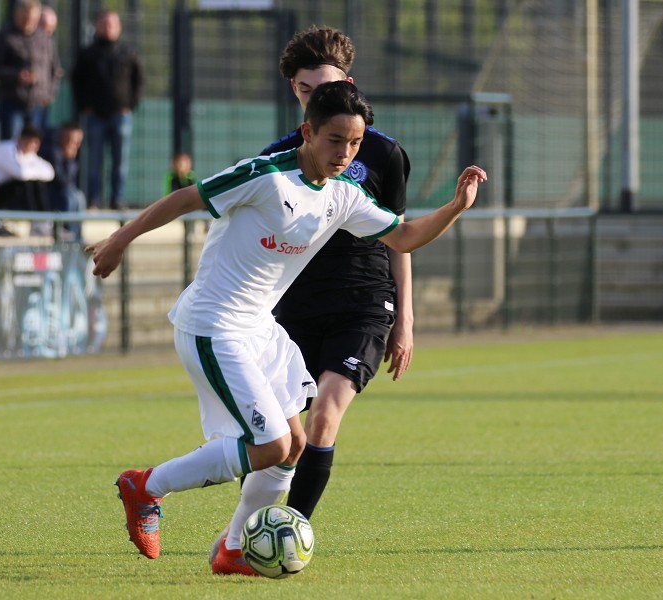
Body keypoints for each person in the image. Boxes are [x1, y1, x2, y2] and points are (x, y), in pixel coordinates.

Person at [87, 81, 486, 565]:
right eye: (335, 139)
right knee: (272, 445)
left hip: (260, 329)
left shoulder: (343, 196)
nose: (345, 152)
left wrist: (454, 208)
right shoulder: (266, 176)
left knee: (295, 445)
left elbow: (402, 237)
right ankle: (145, 487)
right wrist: (119, 240)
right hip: (213, 325)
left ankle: (233, 549)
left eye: (355, 142)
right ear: (308, 132)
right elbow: (187, 198)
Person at [210, 25, 415, 575]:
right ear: (297, 96)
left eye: (323, 86)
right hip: (294, 306)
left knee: (325, 417)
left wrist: (406, 319)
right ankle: (238, 537)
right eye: (303, 90)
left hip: (364, 301)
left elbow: (401, 237)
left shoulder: (385, 154)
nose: (314, 96)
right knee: (280, 437)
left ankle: (285, 537)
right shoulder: (279, 155)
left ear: (347, 83)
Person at [72, 10, 144, 210]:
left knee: (120, 161)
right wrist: (84, 106)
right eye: (104, 23)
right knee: (93, 161)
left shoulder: (128, 52)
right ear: (97, 26)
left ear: (119, 27)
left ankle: (117, 199)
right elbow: (76, 82)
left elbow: (139, 81)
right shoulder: (87, 53)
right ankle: (93, 199)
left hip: (121, 115)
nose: (108, 27)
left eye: (112, 24)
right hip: (94, 115)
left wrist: (130, 105)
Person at [0, 0, 62, 140]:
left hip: (38, 104)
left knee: (35, 151)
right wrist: (17, 76)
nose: (28, 21)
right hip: (12, 102)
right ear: (16, 15)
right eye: (24, 17)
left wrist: (49, 95)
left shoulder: (45, 40)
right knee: (11, 147)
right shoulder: (5, 37)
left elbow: (55, 70)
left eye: (32, 18)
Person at [0, 125, 54, 217]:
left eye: (36, 143)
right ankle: (36, 219)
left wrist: (31, 172)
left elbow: (50, 173)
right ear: (20, 139)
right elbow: (21, 174)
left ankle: (43, 219)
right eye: (29, 142)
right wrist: (35, 172)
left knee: (37, 183)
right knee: (26, 183)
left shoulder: (30, 155)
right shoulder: (6, 149)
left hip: (4, 192)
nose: (33, 146)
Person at [39, 121, 87, 241]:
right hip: (49, 194)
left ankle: (77, 239)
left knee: (79, 196)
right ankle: (69, 237)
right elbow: (61, 181)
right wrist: (69, 159)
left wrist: (70, 159)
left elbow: (71, 182)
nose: (75, 144)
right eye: (72, 140)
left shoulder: (73, 153)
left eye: (78, 141)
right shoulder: (53, 152)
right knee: (69, 197)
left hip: (63, 192)